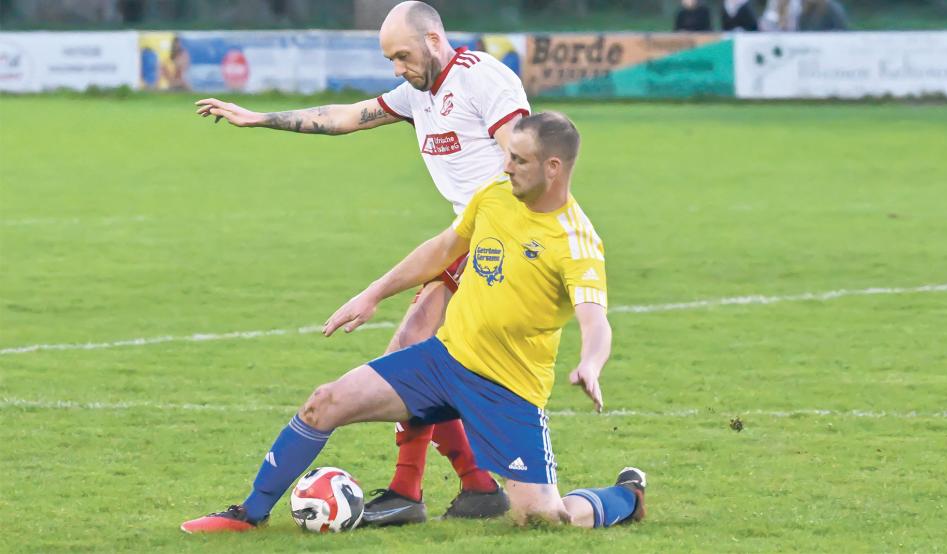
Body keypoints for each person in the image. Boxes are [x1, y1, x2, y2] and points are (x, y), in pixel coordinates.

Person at [180, 111, 646, 534]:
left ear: (553, 169)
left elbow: (595, 318)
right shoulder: (496, 195)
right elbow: (444, 249)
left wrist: (590, 362)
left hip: (508, 390)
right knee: (324, 402)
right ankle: (248, 514)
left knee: (544, 520)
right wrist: (374, 292)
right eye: (507, 156)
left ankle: (625, 497)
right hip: (444, 360)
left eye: (519, 161)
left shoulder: (577, 242)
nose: (507, 167)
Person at [193, 1, 528, 525]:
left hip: (499, 243)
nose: (397, 68)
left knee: (409, 354)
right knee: (412, 357)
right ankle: (469, 486)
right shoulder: (420, 94)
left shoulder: (485, 79)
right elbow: (345, 118)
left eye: (402, 55)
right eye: (390, 59)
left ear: (435, 40)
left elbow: (522, 152)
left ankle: (420, 492)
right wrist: (259, 118)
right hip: (465, 240)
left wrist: (515, 220)